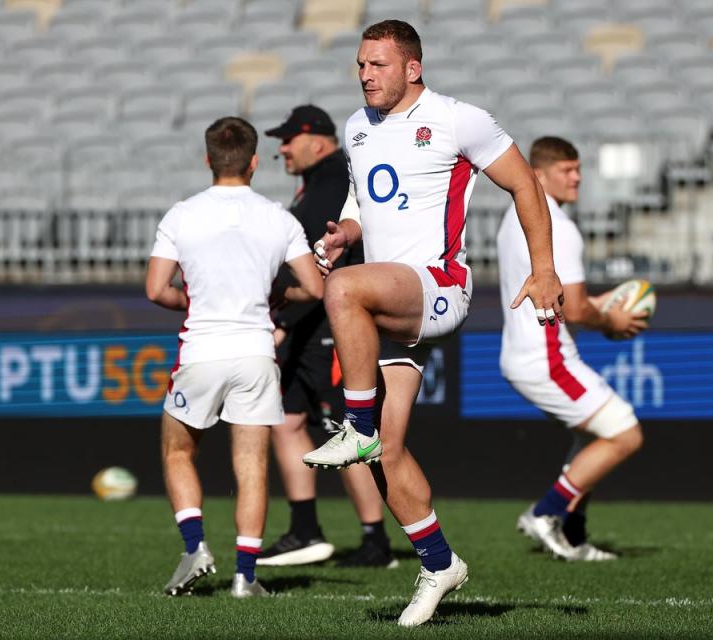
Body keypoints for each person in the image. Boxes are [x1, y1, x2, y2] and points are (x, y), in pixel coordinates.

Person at [305, 20, 566, 626]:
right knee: (387, 456)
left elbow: (526, 185)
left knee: (341, 288)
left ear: (412, 69)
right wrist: (346, 230)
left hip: (439, 287)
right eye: (360, 65)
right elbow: (365, 202)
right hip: (389, 300)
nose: (365, 75)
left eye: (377, 64)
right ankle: (439, 561)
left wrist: (545, 267)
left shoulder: (458, 119)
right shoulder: (358, 126)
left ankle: (356, 421)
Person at [145, 116, 323, 598]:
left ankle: (195, 547)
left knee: (179, 450)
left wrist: (190, 301)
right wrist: (280, 295)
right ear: (254, 162)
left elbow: (156, 288)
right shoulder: (278, 217)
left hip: (202, 349)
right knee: (251, 467)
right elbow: (314, 285)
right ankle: (246, 577)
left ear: (208, 160)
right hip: (255, 352)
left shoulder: (182, 214)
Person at [258, 105, 396, 568]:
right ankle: (304, 529)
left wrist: (284, 318)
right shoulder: (319, 181)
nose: (280, 149)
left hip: (329, 326)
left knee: (347, 430)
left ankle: (376, 540)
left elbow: (322, 261)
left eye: (287, 139)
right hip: (307, 322)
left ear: (316, 140)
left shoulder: (334, 177)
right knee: (288, 419)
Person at [497, 136, 647, 562]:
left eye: (579, 168)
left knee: (593, 438)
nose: (578, 177)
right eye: (567, 169)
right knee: (624, 433)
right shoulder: (557, 225)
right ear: (539, 175)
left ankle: (574, 537)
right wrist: (611, 318)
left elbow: (565, 299)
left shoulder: (516, 218)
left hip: (529, 351)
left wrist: (601, 306)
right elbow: (577, 308)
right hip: (547, 357)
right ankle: (545, 514)